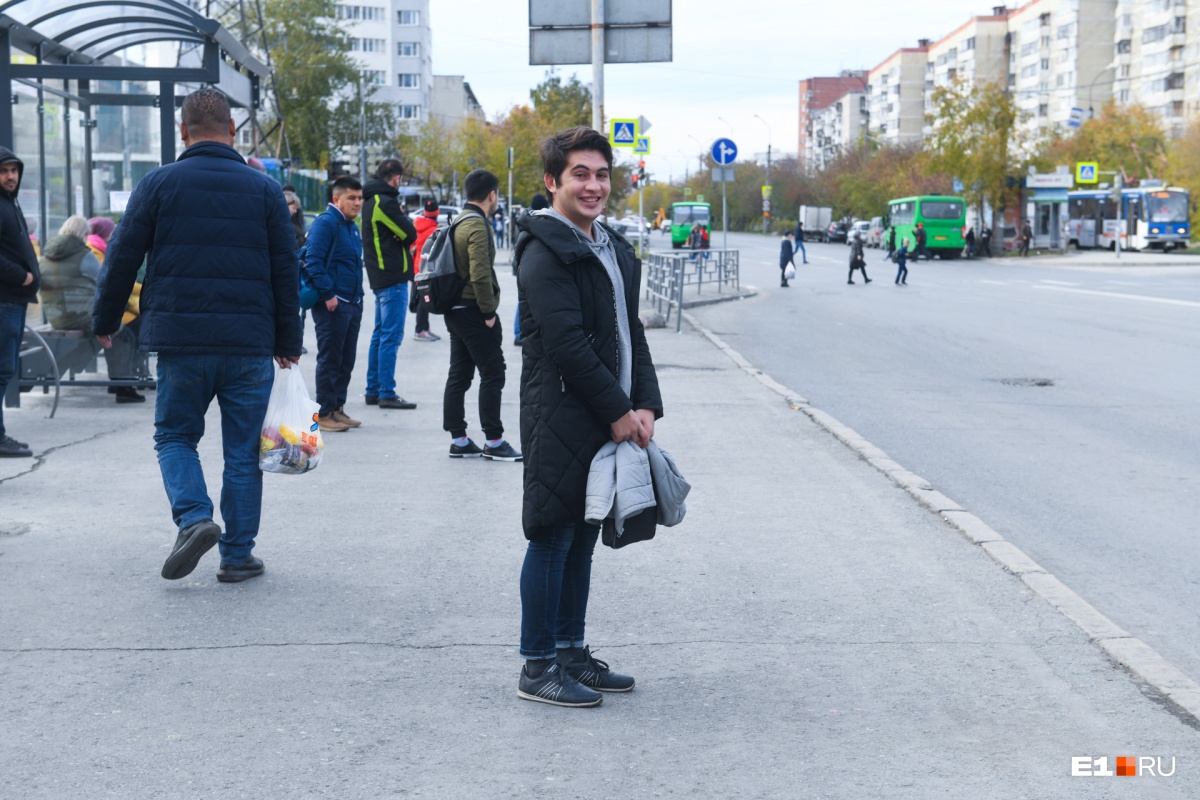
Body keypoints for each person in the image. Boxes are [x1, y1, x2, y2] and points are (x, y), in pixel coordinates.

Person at [91, 87, 301, 582]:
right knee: (244, 452)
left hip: (181, 343)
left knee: (175, 437)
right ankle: (236, 555)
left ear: (183, 132)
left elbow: (121, 258)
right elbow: (285, 271)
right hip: (250, 345)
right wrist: (288, 342)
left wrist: (104, 321)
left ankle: (194, 518)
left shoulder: (157, 184)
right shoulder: (265, 190)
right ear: (232, 131)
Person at [513, 125, 663, 707]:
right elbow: (568, 344)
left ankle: (572, 653)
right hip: (560, 412)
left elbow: (633, 334)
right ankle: (537, 665)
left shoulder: (613, 247)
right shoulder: (544, 249)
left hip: (609, 414)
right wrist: (619, 411)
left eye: (601, 174)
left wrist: (645, 402)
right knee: (552, 536)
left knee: (582, 539)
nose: (593, 185)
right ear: (552, 181)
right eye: (580, 173)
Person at [443, 168, 521, 461]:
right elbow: (479, 273)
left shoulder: (459, 220)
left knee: (460, 374)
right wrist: (488, 312)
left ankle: (459, 440)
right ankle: (494, 440)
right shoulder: (477, 225)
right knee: (493, 372)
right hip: (473, 310)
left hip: (454, 308)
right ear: (492, 195)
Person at [39, 215, 143, 403]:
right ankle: (123, 387)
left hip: (57, 317)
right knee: (121, 333)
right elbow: (106, 282)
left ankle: (117, 382)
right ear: (83, 233)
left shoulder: (46, 255)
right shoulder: (84, 255)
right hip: (80, 316)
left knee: (107, 331)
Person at [305, 176, 365, 432]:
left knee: (345, 358)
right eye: (351, 198)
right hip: (333, 303)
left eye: (360, 198)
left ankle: (338, 408)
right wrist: (329, 294)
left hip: (352, 302)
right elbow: (313, 261)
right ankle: (324, 412)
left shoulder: (351, 226)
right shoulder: (326, 223)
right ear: (336, 199)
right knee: (330, 358)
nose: (357, 203)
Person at [361, 159, 418, 410]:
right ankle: (387, 392)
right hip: (392, 277)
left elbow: (403, 232)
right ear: (396, 179)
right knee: (391, 337)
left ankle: (373, 389)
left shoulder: (370, 201)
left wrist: (402, 233)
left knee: (380, 334)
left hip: (381, 277)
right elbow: (410, 233)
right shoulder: (384, 202)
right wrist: (403, 233)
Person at [0, 146, 40, 458]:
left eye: (14, 170)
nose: (10, 176)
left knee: (4, 370)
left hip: (13, 301)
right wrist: (22, 276)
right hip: (6, 299)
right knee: (2, 371)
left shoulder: (9, 204)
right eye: (4, 171)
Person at [513, 193, 549, 346]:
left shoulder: (523, 219)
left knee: (523, 299)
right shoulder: (540, 222)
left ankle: (518, 333)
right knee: (529, 300)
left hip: (521, 264)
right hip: (532, 264)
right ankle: (519, 332)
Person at [409, 199, 441, 343]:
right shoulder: (434, 229)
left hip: (417, 268)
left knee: (423, 298)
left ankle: (424, 328)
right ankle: (420, 330)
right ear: (437, 213)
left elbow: (412, 247)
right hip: (426, 270)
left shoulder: (416, 226)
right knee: (425, 300)